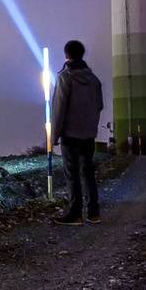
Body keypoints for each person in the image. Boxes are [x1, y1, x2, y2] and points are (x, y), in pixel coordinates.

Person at [49, 39, 104, 224]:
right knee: (87, 172)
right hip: (89, 134)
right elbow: (99, 105)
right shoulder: (94, 79)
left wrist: (54, 136)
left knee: (72, 174)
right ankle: (94, 212)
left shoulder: (65, 77)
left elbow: (59, 108)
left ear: (67, 55)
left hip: (70, 134)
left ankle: (75, 214)